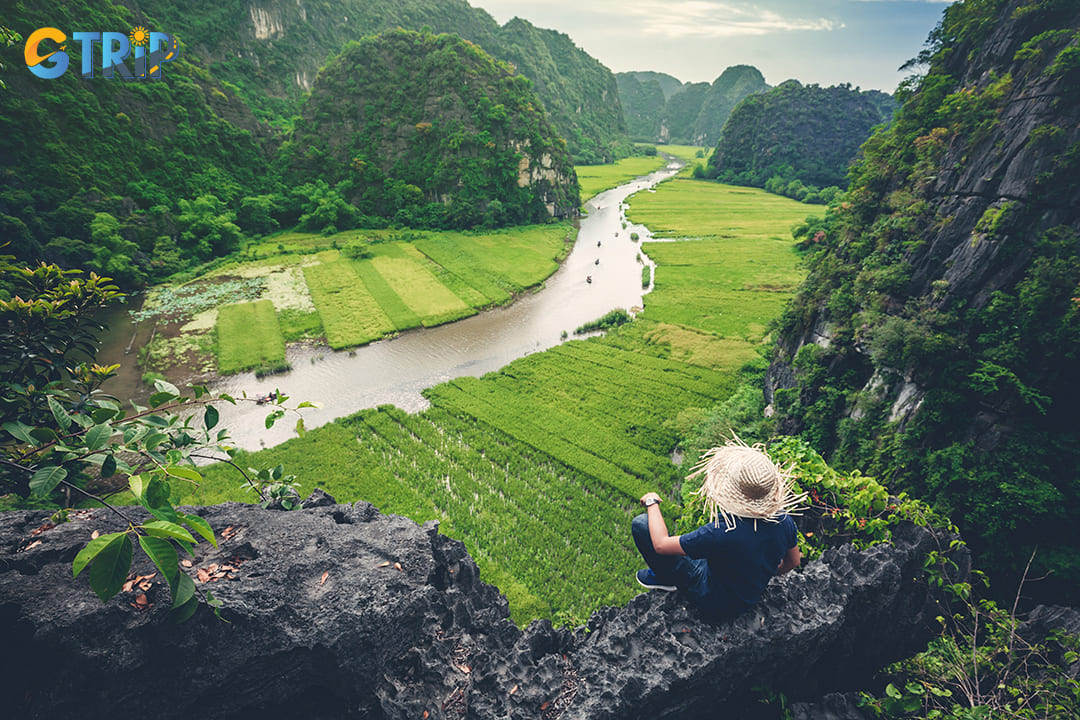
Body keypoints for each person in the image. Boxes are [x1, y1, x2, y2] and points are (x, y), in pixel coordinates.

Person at [632, 439, 805, 619]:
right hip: (749, 597)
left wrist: (652, 502)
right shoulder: (784, 521)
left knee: (642, 524)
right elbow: (793, 561)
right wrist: (759, 573)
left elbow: (661, 544)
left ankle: (667, 579)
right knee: (695, 547)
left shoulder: (722, 531)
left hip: (711, 600)